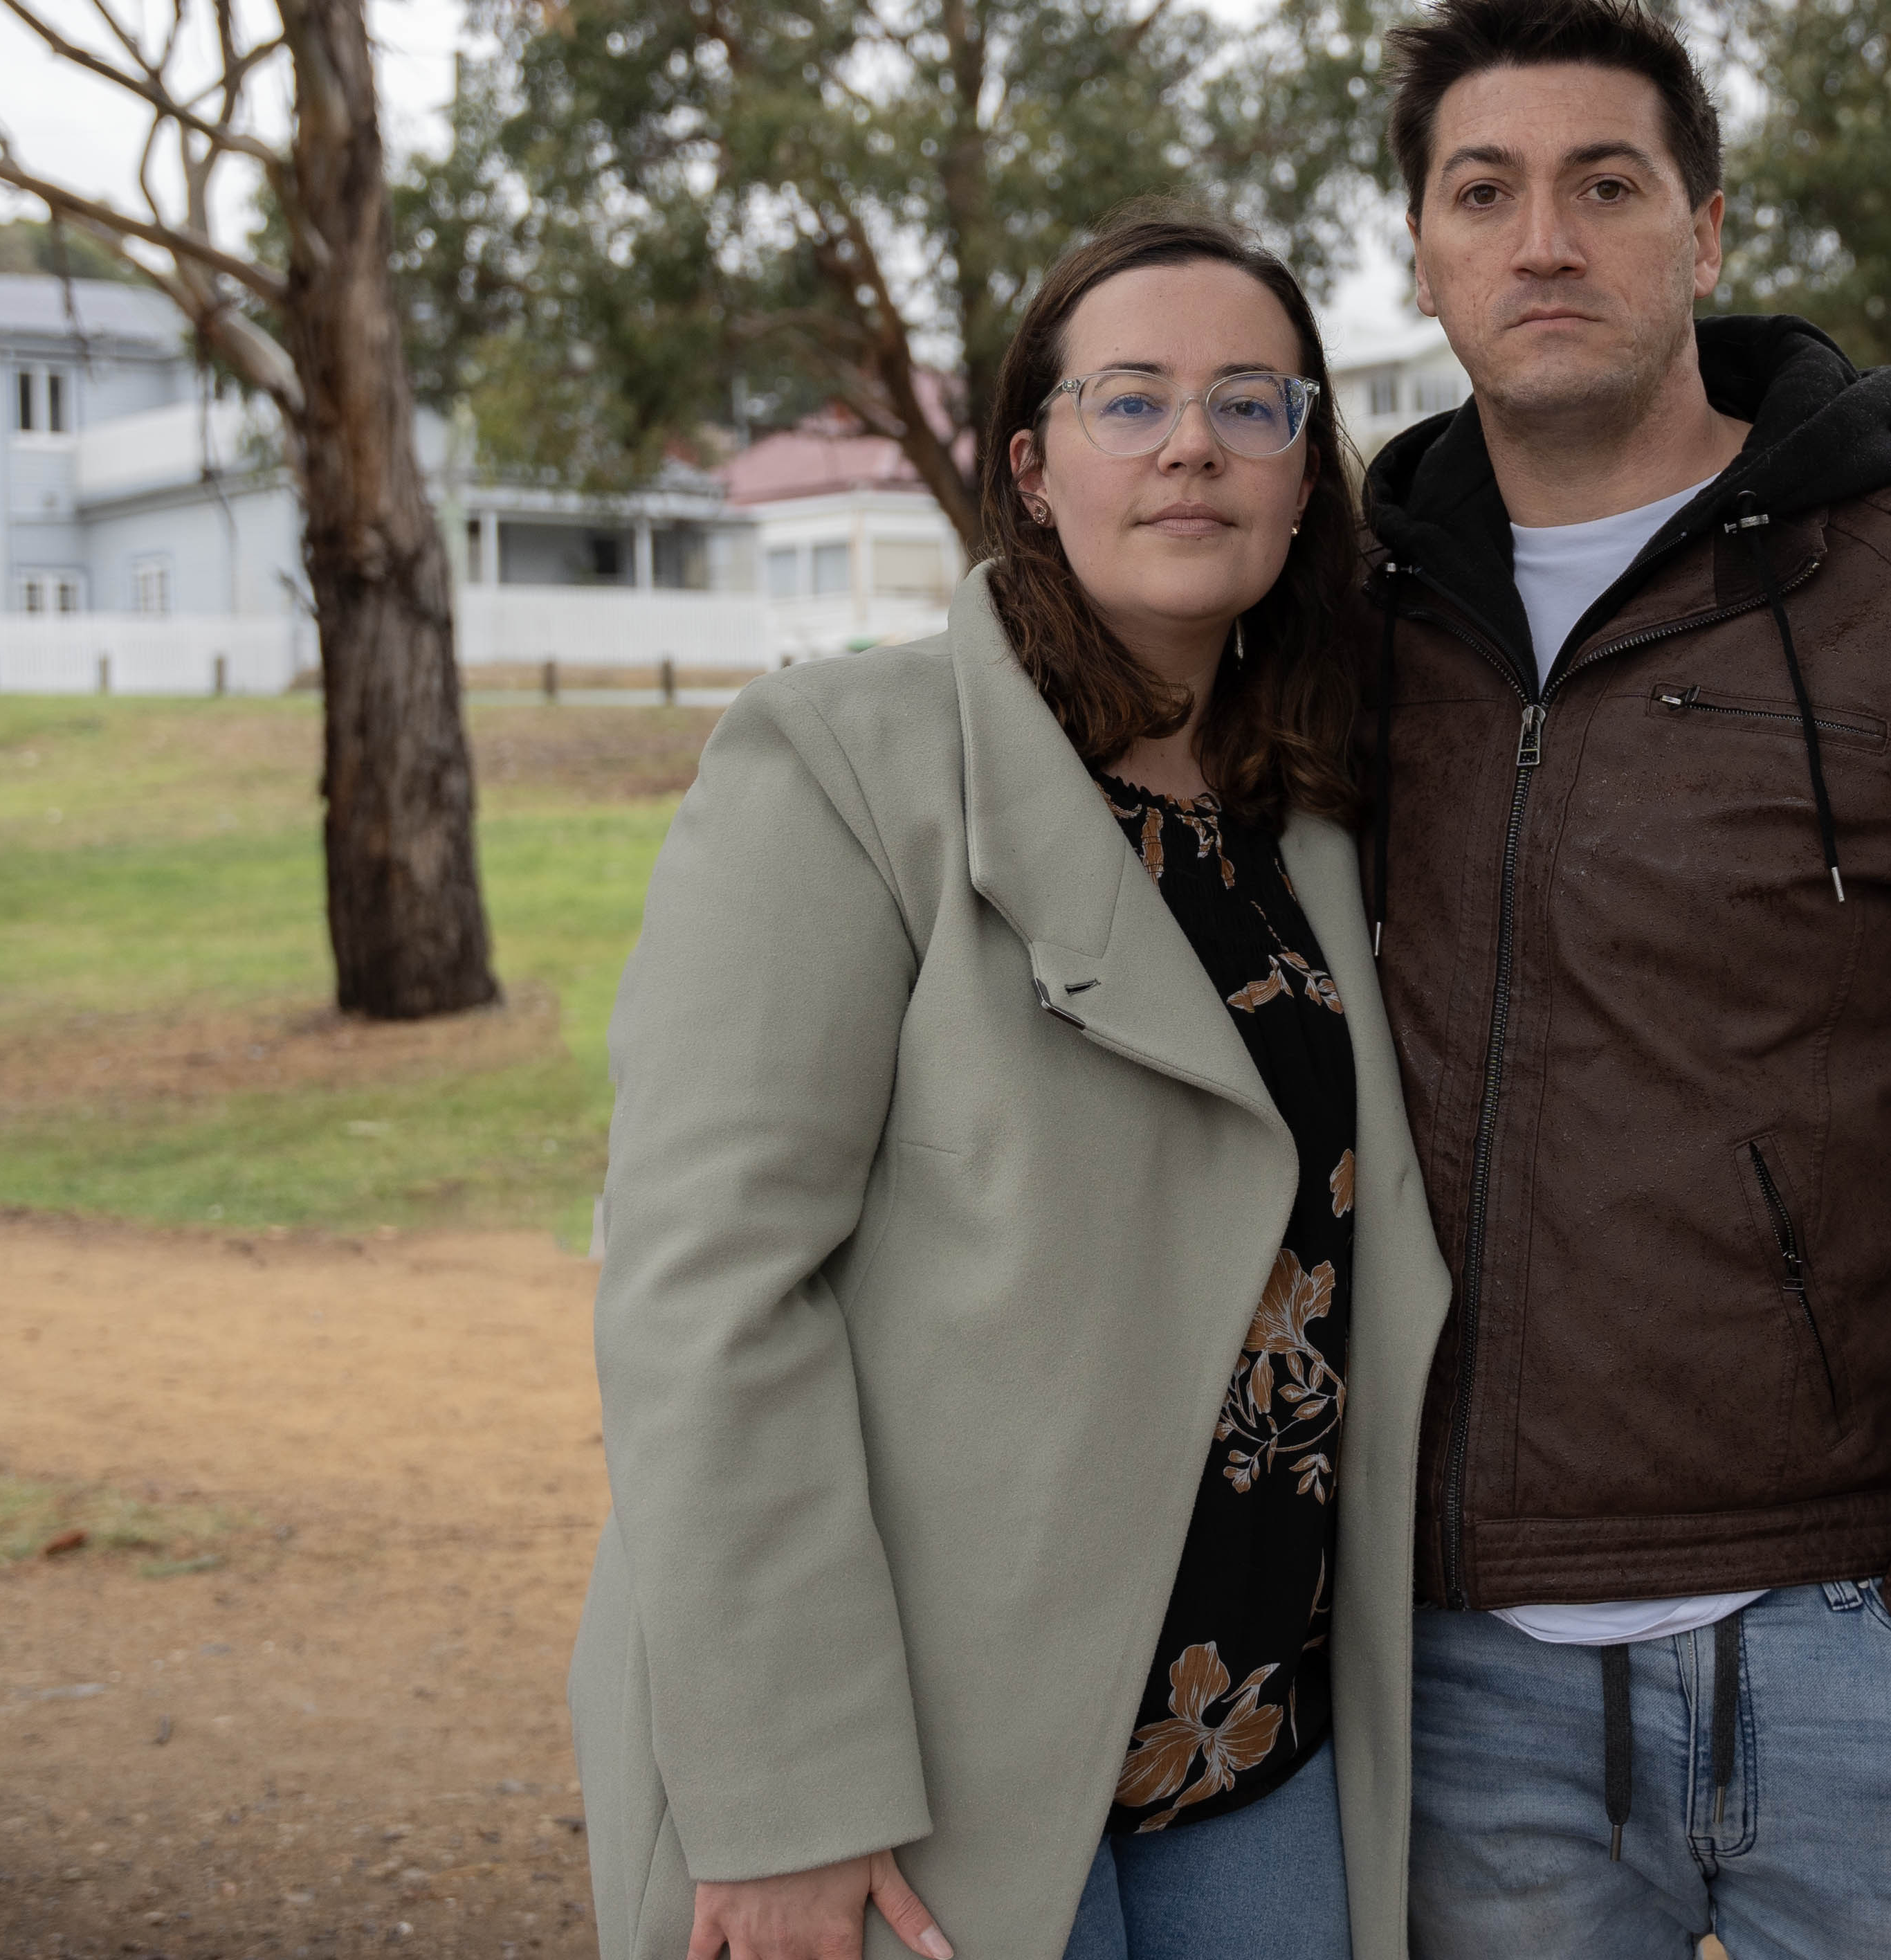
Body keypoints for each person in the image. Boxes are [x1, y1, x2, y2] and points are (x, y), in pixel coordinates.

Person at [1357, 0, 1891, 1959]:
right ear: (1423, 246)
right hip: (1464, 1665)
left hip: (1854, 1650)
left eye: (1607, 183)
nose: (1544, 238)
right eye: (1483, 192)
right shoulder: (1354, 619)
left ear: (1708, 230)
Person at [571, 205, 1450, 1960]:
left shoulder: (1323, 829)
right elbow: (704, 1292)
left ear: (1302, 485)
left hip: (1252, 1760)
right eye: (1132, 400)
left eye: (1253, 404)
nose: (1193, 440)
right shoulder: (840, 767)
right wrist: (786, 1795)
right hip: (921, 1783)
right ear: (1034, 468)